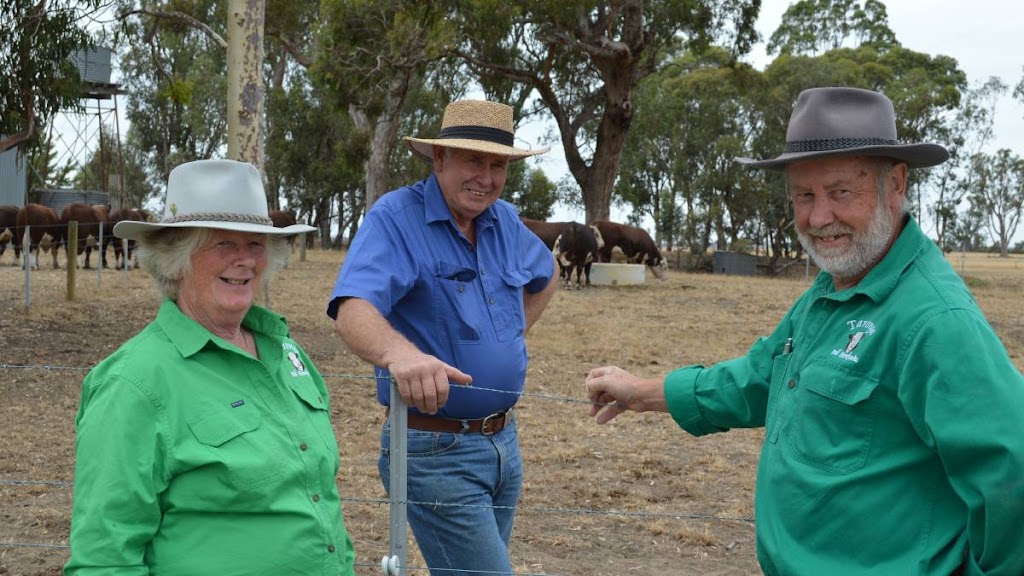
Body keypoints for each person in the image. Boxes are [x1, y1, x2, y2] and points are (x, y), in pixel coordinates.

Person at [584, 87, 1024, 576]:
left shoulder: (935, 321)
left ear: (895, 184)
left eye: (840, 192)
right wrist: (643, 392)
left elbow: (1013, 475)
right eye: (803, 196)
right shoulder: (832, 288)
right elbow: (762, 377)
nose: (818, 218)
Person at [65, 159, 356, 575]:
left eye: (256, 244)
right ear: (175, 260)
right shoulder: (134, 383)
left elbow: (318, 494)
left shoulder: (286, 353)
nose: (245, 261)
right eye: (222, 244)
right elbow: (103, 558)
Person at [327, 99, 557, 575]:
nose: (486, 177)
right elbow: (353, 308)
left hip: (503, 443)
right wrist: (399, 354)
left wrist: (511, 334)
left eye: (498, 165)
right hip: (434, 451)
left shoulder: (503, 221)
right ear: (439, 159)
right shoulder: (396, 218)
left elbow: (547, 271)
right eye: (474, 160)